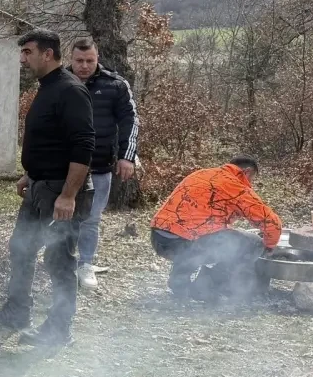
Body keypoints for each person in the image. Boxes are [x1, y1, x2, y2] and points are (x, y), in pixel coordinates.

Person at [0, 29, 95, 348]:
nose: (23, 58)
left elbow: (83, 146)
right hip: (39, 186)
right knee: (21, 247)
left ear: (48, 54)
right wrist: (30, 175)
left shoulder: (71, 90)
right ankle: (17, 311)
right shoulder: (47, 88)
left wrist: (69, 195)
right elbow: (49, 141)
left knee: (58, 261)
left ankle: (59, 330)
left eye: (28, 52)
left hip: (63, 191)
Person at [150, 155, 282, 301]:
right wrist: (269, 245)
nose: (250, 183)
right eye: (252, 179)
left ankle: (180, 282)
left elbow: (201, 214)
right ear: (247, 172)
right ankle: (207, 285)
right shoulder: (234, 184)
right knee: (254, 243)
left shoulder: (202, 174)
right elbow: (270, 221)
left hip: (159, 238)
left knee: (191, 232)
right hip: (185, 242)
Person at [68, 36, 138, 290]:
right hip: (62, 166)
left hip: (99, 165)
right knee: (59, 216)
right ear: (70, 59)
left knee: (91, 218)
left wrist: (126, 156)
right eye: (79, 61)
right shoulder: (58, 82)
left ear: (97, 59)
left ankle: (85, 263)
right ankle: (63, 261)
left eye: (89, 60)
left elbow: (130, 121)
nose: (84, 66)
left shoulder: (116, 85)